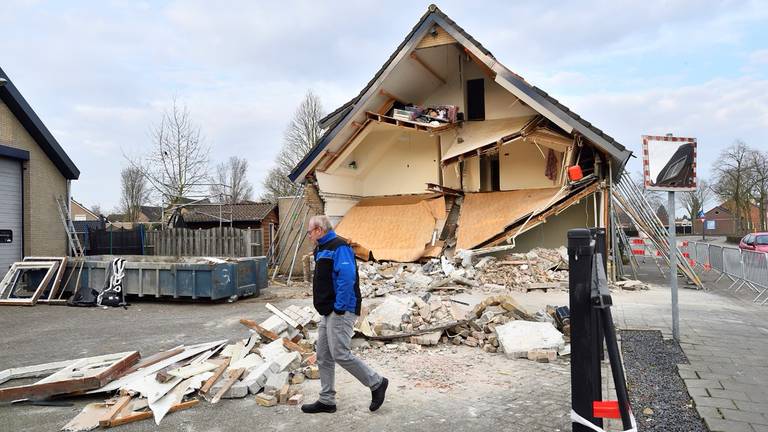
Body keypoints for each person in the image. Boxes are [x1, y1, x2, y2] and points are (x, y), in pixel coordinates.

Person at [301, 215, 388, 414]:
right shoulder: (321, 248)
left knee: (340, 353)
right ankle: (327, 400)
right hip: (328, 310)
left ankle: (377, 383)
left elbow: (347, 278)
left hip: (341, 309)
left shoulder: (339, 246)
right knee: (323, 355)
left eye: (309, 232)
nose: (309, 235)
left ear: (319, 230)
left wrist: (339, 307)